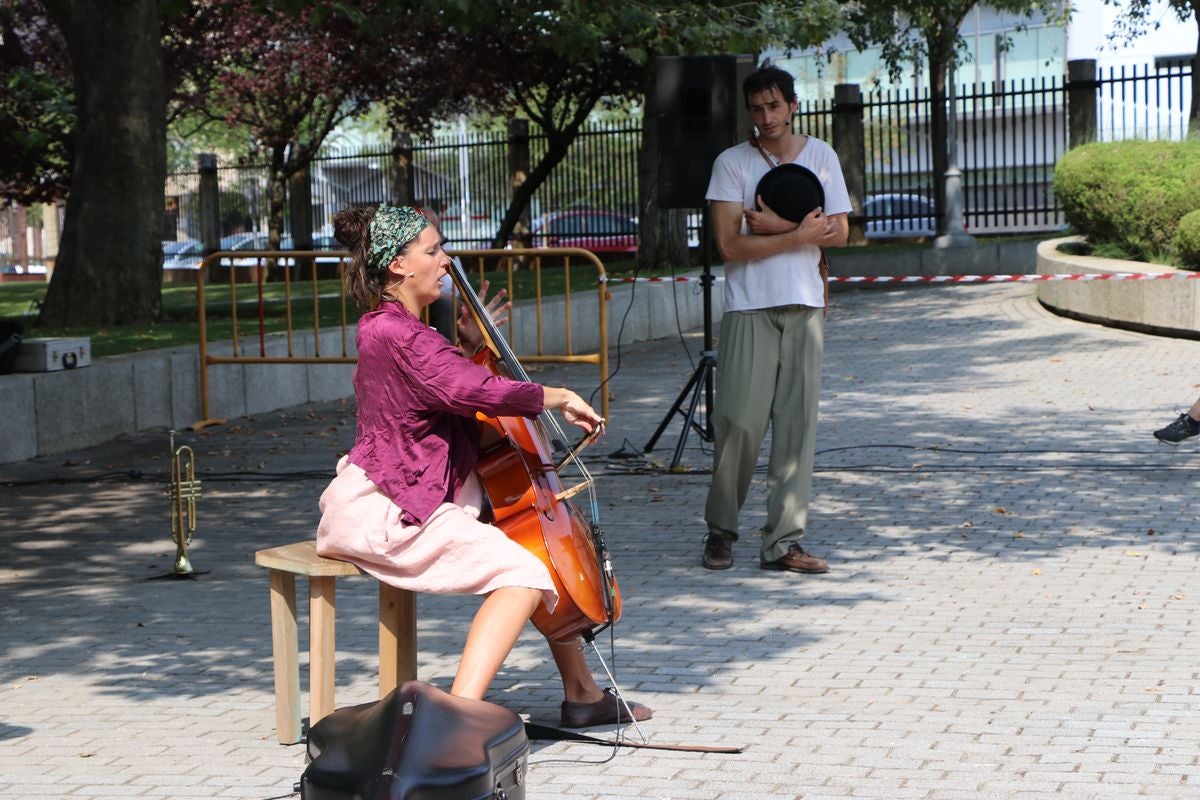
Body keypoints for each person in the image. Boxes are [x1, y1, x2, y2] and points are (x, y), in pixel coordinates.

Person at [316, 203, 651, 728]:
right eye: (433, 250)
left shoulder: (399, 329)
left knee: (524, 535)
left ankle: (582, 690)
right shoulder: (395, 333)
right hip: (389, 509)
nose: (446, 261)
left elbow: (441, 380)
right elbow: (469, 388)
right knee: (524, 570)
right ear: (399, 265)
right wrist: (557, 394)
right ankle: (457, 718)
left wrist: (472, 345)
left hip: (408, 493)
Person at [701, 65, 851, 573]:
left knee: (797, 425)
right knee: (738, 423)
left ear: (792, 105)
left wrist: (781, 228)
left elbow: (840, 233)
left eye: (774, 106)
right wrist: (798, 234)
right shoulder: (732, 163)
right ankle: (721, 531)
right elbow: (729, 245)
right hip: (749, 307)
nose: (766, 117)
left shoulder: (822, 156)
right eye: (757, 108)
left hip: (805, 304)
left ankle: (783, 542)